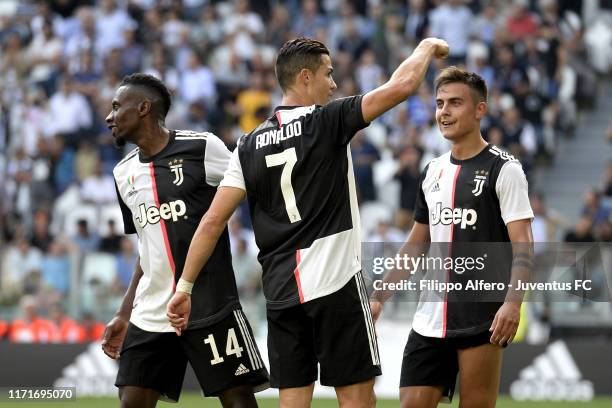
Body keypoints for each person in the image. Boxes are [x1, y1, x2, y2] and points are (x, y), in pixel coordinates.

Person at [167, 37, 449, 408]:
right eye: (328, 75)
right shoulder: (328, 120)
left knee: (293, 403)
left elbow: (212, 221)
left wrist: (184, 288)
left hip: (282, 292)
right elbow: (401, 86)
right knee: (357, 400)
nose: (333, 84)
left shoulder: (248, 145)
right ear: (304, 78)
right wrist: (426, 48)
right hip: (335, 283)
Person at [369, 67, 534, 408]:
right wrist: (380, 295)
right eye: (440, 103)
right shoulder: (432, 170)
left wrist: (513, 302)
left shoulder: (505, 169)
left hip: (481, 316)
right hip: (428, 318)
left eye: (455, 103)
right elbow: (416, 243)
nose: (444, 112)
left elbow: (524, 244)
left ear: (480, 110)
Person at [101, 73, 268, 408]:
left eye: (117, 107)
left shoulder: (203, 147)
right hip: (150, 311)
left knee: (239, 402)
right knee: (131, 402)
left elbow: (256, 188)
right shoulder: (123, 173)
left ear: (144, 108)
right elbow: (148, 250)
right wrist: (124, 312)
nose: (110, 117)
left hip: (210, 303)